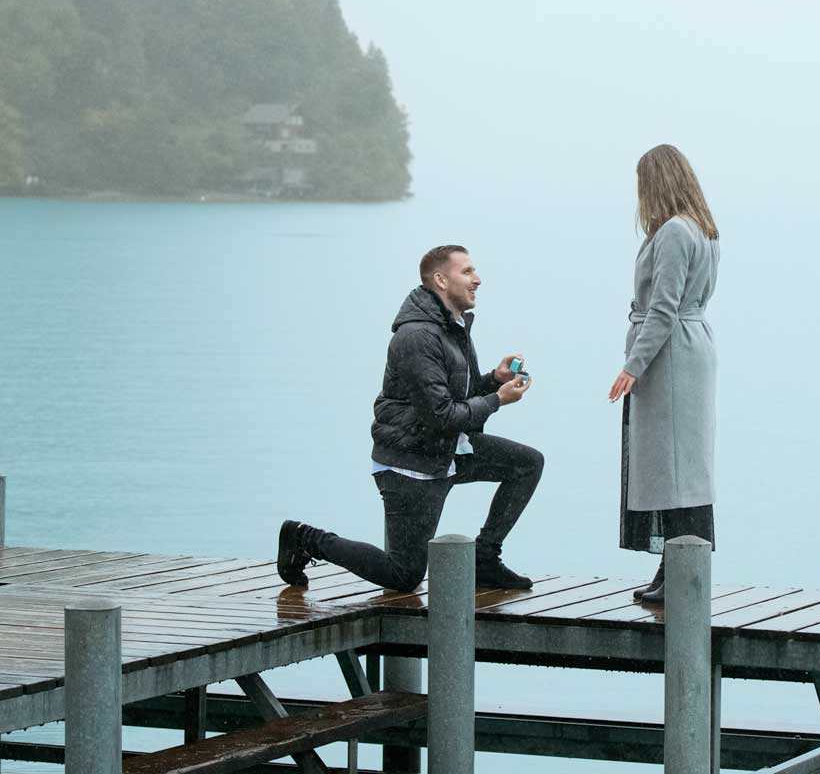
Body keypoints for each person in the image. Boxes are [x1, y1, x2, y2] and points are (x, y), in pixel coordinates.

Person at [278, 244, 543, 592]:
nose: (477, 279)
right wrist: (496, 400)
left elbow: (452, 398)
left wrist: (493, 379)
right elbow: (441, 415)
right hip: (410, 463)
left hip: (446, 451)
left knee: (527, 464)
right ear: (440, 280)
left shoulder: (452, 326)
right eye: (467, 272)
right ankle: (304, 537)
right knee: (404, 576)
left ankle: (484, 558)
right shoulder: (417, 336)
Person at [608, 144, 720, 604]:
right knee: (685, 466)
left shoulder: (675, 231)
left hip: (671, 353)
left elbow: (663, 308)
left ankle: (683, 573)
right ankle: (672, 567)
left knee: (675, 469)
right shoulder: (704, 229)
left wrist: (632, 366)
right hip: (690, 347)